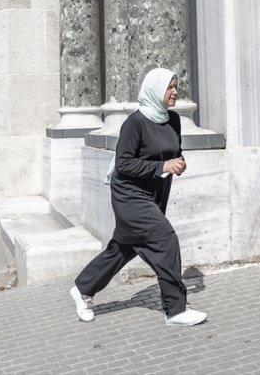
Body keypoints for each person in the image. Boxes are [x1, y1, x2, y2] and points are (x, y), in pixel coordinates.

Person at [69, 67, 207, 327]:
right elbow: (123, 164)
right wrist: (162, 167)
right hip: (129, 194)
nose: (175, 91)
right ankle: (175, 309)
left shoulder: (173, 119)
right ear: (155, 90)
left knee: (124, 247)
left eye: (176, 86)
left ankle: (82, 288)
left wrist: (178, 163)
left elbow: (171, 153)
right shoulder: (135, 123)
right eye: (170, 87)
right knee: (165, 240)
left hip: (154, 192)